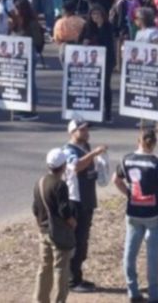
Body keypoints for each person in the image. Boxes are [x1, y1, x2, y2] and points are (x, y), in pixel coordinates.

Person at [115, 128, 158, 303]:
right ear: (154, 143)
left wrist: (128, 194)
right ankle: (154, 294)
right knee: (152, 255)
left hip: (133, 211)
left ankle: (132, 290)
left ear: (138, 141)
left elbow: (116, 180)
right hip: (153, 213)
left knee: (130, 252)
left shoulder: (126, 160)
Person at [64, 119, 107, 293]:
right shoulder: (68, 150)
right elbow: (76, 166)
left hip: (88, 200)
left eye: (87, 129)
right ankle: (71, 281)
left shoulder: (86, 148)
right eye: (82, 130)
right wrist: (94, 154)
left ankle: (77, 276)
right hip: (75, 201)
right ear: (72, 132)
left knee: (83, 242)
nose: (86, 133)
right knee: (75, 241)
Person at [33, 147, 77, 303]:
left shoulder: (40, 182)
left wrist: (41, 226)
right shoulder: (60, 185)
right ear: (63, 166)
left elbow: (35, 209)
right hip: (58, 234)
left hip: (43, 231)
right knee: (60, 269)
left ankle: (40, 300)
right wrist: (72, 223)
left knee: (44, 268)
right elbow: (64, 210)